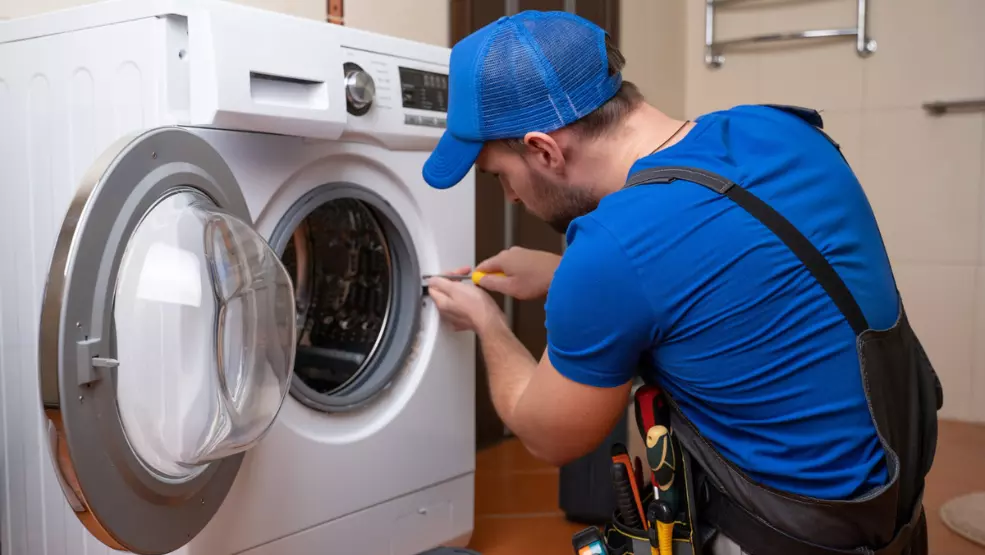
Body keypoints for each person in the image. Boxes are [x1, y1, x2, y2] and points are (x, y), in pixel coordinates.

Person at [422, 10, 941, 555]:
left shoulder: (611, 246)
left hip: (782, 537)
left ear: (544, 150)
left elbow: (547, 434)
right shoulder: (779, 129)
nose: (510, 198)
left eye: (500, 174)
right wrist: (560, 276)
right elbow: (741, 281)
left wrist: (486, 321)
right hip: (895, 523)